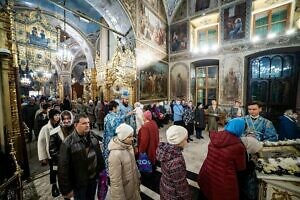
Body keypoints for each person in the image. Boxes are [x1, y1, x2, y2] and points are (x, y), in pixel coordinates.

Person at [58, 113, 105, 200]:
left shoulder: (92, 136)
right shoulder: (68, 143)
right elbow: (63, 168)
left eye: (88, 122)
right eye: (84, 123)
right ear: (76, 125)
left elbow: (99, 156)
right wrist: (66, 190)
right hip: (79, 183)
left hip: (92, 180)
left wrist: (102, 172)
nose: (87, 125)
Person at [198, 118, 247, 200]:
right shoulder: (238, 146)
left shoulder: (216, 137)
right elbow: (241, 168)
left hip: (208, 174)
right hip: (223, 181)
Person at [156, 125, 191, 200]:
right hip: (173, 195)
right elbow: (180, 185)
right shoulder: (176, 161)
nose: (187, 142)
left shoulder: (166, 151)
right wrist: (187, 197)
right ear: (179, 141)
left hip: (165, 187)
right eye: (185, 139)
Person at [108, 123, 141, 200]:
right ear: (123, 138)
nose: (132, 139)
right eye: (129, 137)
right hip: (126, 192)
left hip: (133, 188)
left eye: (132, 136)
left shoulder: (128, 146)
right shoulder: (115, 155)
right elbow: (115, 182)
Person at [49, 110, 74, 198]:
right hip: (62, 164)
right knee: (65, 186)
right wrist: (63, 160)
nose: (66, 121)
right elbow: (52, 150)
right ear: (61, 119)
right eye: (64, 119)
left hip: (75, 163)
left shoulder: (76, 129)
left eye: (68, 118)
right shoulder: (55, 132)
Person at [37, 109, 61, 197]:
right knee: (54, 170)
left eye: (58, 115)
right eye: (55, 115)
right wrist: (43, 157)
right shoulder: (45, 128)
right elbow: (41, 142)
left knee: (62, 170)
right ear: (51, 117)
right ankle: (54, 186)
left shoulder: (61, 126)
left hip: (61, 154)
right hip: (52, 156)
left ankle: (62, 185)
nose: (57, 117)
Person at [103, 100, 133, 170]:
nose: (118, 109)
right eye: (117, 107)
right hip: (113, 141)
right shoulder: (114, 118)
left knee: (108, 156)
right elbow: (118, 130)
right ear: (114, 108)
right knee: (114, 157)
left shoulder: (107, 116)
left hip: (107, 139)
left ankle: (108, 170)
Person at [138, 111, 159, 189]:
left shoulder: (145, 127)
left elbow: (144, 140)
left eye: (143, 116)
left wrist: (141, 150)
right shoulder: (154, 123)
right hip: (154, 146)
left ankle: (148, 181)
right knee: (153, 163)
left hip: (148, 150)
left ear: (145, 117)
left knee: (146, 166)